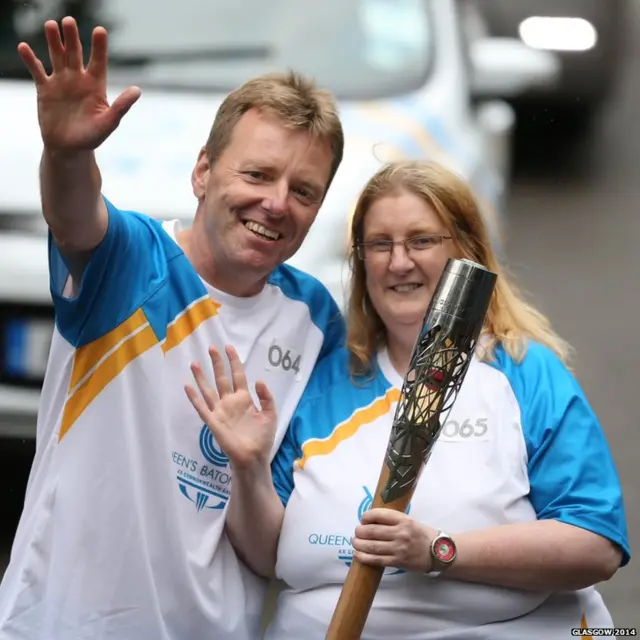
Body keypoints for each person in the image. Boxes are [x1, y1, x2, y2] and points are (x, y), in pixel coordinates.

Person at [0, 15, 346, 640]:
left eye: (304, 191)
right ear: (203, 172)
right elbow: (76, 217)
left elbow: (277, 552)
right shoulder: (134, 261)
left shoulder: (316, 320)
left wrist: (248, 468)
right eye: (258, 174)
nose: (277, 203)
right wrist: (68, 152)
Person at [186, 160, 631, 639]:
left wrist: (439, 550)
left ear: (466, 250)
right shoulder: (326, 378)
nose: (399, 262)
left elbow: (594, 544)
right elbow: (270, 556)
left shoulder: (524, 374)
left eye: (421, 241)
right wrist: (250, 469)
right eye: (381, 245)